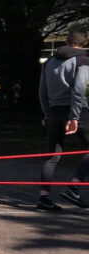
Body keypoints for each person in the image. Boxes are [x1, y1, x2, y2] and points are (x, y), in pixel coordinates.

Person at [37, 28, 89, 210]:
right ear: (85, 43)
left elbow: (42, 91)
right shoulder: (82, 59)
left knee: (51, 156)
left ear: (67, 41)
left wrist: (46, 113)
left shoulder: (49, 61)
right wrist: (74, 115)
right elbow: (79, 88)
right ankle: (74, 186)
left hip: (54, 110)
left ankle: (44, 199)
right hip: (76, 110)